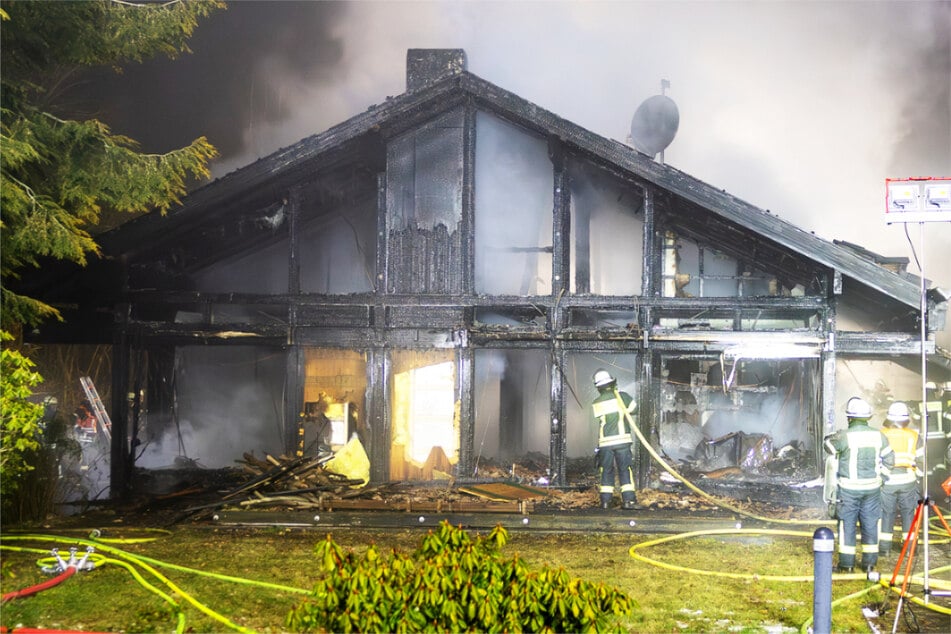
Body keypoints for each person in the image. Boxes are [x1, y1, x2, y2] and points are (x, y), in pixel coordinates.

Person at [823, 396, 895, 573]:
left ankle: (847, 564)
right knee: (870, 524)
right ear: (868, 417)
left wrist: (833, 436)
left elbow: (828, 446)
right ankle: (869, 564)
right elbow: (890, 459)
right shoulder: (879, 435)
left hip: (849, 490)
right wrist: (882, 479)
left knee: (847, 524)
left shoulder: (845, 436)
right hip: (872, 489)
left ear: (849, 418)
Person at [591, 369, 641, 510]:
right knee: (625, 470)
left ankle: (606, 502)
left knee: (606, 470)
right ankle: (629, 501)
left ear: (598, 387)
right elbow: (635, 409)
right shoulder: (622, 397)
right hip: (622, 441)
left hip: (605, 443)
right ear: (612, 382)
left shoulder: (596, 402)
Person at [879, 401, 923, 556]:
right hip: (908, 480)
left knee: (886, 513)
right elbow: (921, 460)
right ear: (906, 419)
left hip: (887, 480)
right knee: (908, 513)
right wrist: (918, 477)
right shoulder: (914, 435)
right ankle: (910, 549)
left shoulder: (882, 434)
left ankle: (885, 548)